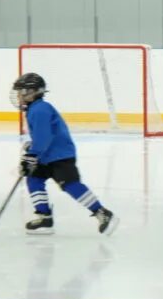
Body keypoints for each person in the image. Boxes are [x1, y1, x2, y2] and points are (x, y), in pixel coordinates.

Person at [11, 73, 118, 236]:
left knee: (70, 184)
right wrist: (33, 149)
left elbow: (44, 137)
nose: (18, 96)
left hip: (59, 155)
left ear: (31, 92)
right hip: (46, 155)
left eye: (21, 91)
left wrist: (31, 154)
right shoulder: (35, 108)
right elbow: (44, 136)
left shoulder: (40, 109)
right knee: (34, 179)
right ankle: (44, 217)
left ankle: (102, 212)